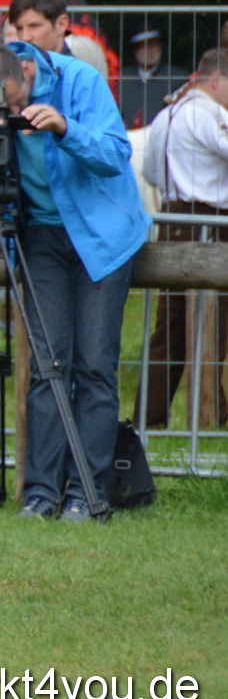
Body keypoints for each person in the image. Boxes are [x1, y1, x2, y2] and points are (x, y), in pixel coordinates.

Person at [0, 41, 150, 520]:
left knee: (93, 365)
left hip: (100, 237)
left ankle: (87, 492)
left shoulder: (79, 81)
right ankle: (42, 492)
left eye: (14, 102)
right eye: (0, 107)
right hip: (41, 235)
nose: (12, 111)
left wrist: (65, 128)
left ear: (27, 72)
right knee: (48, 364)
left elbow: (115, 153)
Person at [136, 48, 228, 429]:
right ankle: (213, 414)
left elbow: (152, 172)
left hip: (174, 217)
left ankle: (149, 414)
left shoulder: (166, 113)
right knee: (215, 321)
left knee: (170, 327)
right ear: (217, 80)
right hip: (209, 220)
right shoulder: (209, 114)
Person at [120, 28, 187, 131]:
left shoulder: (178, 78)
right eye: (143, 46)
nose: (149, 51)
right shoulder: (120, 78)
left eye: (153, 45)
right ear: (135, 50)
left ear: (161, 47)